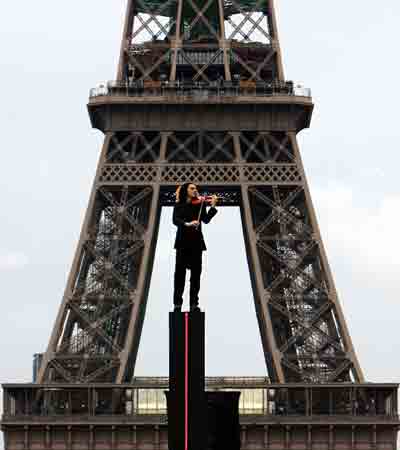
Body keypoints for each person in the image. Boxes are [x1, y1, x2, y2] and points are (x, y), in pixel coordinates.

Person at [173, 183, 218, 312]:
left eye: (196, 189)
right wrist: (187, 223)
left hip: (196, 243)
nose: (195, 190)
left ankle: (194, 304)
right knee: (179, 276)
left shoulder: (200, 204)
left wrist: (213, 206)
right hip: (182, 242)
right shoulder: (178, 204)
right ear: (185, 190)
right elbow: (175, 220)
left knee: (196, 276)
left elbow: (206, 220)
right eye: (192, 188)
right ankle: (177, 304)